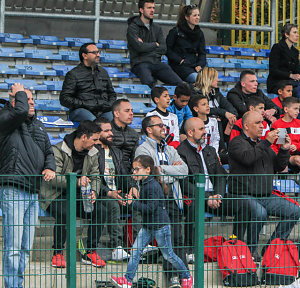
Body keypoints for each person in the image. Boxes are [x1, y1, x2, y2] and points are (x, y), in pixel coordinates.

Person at [0, 83, 55, 287]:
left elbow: (49, 152)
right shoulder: (6, 119)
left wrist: (50, 167)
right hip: (13, 188)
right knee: (13, 246)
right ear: (15, 101)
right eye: (26, 99)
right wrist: (19, 94)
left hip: (33, 191)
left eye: (32, 100)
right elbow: (20, 111)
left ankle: (18, 284)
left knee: (25, 247)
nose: (30, 103)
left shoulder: (39, 126)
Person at [111, 155, 193, 288]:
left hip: (160, 227)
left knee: (169, 255)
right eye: (133, 170)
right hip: (148, 226)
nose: (134, 172)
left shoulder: (153, 186)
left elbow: (150, 208)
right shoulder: (144, 183)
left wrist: (132, 203)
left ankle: (187, 276)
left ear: (148, 169)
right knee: (136, 251)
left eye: (137, 169)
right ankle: (127, 280)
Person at [228, 111, 300, 259]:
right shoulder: (237, 142)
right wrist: (266, 142)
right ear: (246, 126)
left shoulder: (263, 145)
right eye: (257, 123)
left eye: (262, 123)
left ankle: (271, 248)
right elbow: (248, 158)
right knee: (259, 213)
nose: (262, 126)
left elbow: (279, 167)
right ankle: (250, 250)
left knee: (294, 211)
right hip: (242, 195)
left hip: (266, 196)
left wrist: (284, 149)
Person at [177, 118, 251, 259]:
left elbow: (220, 176)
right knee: (194, 208)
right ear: (190, 132)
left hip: (215, 196)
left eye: (204, 129)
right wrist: (206, 198)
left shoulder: (210, 150)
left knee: (244, 205)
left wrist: (218, 195)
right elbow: (184, 182)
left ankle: (236, 243)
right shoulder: (180, 152)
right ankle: (190, 250)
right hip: (195, 196)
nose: (205, 132)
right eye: (201, 129)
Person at [40, 121, 107, 268]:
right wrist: (76, 182)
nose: (97, 143)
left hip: (79, 196)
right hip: (54, 195)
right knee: (66, 212)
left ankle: (90, 252)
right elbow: (53, 178)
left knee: (101, 210)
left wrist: (94, 191)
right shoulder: (58, 150)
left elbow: (96, 176)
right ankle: (57, 253)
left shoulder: (93, 152)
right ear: (84, 137)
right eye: (94, 139)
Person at [135, 115, 189, 287]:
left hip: (174, 197)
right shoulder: (142, 149)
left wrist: (162, 169)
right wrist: (170, 172)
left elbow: (184, 170)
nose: (164, 127)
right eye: (159, 125)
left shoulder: (169, 148)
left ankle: (184, 277)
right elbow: (150, 176)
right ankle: (173, 278)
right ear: (149, 129)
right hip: (157, 200)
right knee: (168, 241)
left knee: (179, 239)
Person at [94, 117, 138, 262]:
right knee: (113, 205)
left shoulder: (116, 152)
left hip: (117, 192)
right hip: (100, 194)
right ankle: (116, 247)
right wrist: (109, 192)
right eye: (106, 131)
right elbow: (93, 178)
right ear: (97, 133)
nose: (111, 133)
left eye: (111, 130)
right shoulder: (93, 152)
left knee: (138, 203)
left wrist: (132, 187)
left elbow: (125, 174)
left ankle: (137, 246)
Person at [127, 0, 183, 87]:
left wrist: (145, 46)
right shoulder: (133, 28)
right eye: (149, 8)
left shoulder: (157, 27)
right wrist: (155, 44)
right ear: (141, 10)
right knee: (149, 83)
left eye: (153, 8)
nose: (152, 10)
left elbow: (163, 48)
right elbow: (138, 47)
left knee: (179, 84)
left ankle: (162, 95)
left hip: (156, 62)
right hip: (140, 63)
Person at [60, 42, 116, 122]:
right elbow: (64, 99)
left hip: (102, 110)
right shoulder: (73, 74)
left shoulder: (103, 72)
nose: (98, 55)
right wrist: (85, 104)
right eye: (94, 52)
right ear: (84, 55)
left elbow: (112, 94)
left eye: (98, 52)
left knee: (115, 121)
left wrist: (108, 105)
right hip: (81, 111)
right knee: (93, 123)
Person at [270, 97, 300, 173]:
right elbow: (279, 145)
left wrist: (296, 146)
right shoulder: (279, 125)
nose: (298, 112)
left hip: (298, 151)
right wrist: (287, 149)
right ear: (286, 110)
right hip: (285, 155)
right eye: (295, 109)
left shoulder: (299, 123)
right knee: (297, 159)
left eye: (298, 109)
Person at [166, 4, 207, 83]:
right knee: (198, 80)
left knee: (209, 80)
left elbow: (202, 52)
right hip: (180, 67)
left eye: (198, 15)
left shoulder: (199, 33)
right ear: (187, 17)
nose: (197, 17)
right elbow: (168, 50)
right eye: (194, 15)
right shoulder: (175, 32)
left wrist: (200, 64)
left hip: (194, 66)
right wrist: (180, 60)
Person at [267, 23, 300, 94]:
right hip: (277, 83)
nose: (297, 35)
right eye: (294, 32)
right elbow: (273, 70)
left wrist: (298, 76)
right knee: (297, 92)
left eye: (297, 33)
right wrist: (290, 75)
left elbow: (296, 70)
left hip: (290, 83)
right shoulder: (277, 47)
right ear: (286, 34)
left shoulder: (295, 51)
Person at [110, 99, 139, 171]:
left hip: (127, 173)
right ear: (116, 113)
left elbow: (134, 158)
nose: (131, 113)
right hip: (109, 171)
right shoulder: (106, 131)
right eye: (127, 111)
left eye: (132, 110)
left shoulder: (134, 134)